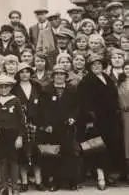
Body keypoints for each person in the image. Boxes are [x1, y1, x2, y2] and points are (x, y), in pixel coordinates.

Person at [78, 54, 127, 189]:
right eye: (93, 65)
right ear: (89, 67)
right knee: (98, 147)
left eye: (99, 64)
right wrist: (89, 120)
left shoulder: (107, 78)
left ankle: (107, 174)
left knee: (110, 146)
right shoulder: (86, 81)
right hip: (96, 120)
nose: (97, 66)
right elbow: (84, 103)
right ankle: (100, 178)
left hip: (110, 119)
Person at [37, 65, 80, 191]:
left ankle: (72, 181)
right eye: (57, 74)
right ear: (53, 76)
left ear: (66, 77)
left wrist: (73, 117)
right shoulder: (46, 90)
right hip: (52, 128)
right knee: (54, 155)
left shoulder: (72, 89)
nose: (59, 76)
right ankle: (55, 182)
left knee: (69, 153)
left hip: (67, 126)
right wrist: (46, 124)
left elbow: (77, 107)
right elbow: (42, 109)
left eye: (62, 74)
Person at [0, 74, 26, 195]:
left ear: (10, 88)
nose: (3, 90)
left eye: (6, 87)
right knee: (1, 160)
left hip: (13, 135)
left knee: (14, 160)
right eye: (0, 87)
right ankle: (3, 186)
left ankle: (15, 186)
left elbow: (21, 120)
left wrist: (20, 136)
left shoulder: (15, 100)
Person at [12, 63, 45, 192]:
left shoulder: (37, 86)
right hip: (20, 125)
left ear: (31, 73)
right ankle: (24, 181)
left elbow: (43, 106)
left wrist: (41, 123)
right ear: (18, 74)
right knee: (22, 154)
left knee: (37, 152)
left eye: (27, 71)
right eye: (21, 72)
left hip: (36, 124)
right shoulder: (14, 89)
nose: (24, 74)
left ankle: (38, 181)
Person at [117, 60, 129, 172]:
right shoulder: (120, 83)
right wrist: (123, 105)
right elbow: (118, 98)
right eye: (126, 68)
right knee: (127, 141)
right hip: (125, 115)